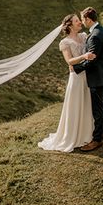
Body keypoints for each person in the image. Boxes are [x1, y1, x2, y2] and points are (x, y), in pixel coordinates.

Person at [38, 13, 96, 153]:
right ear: (69, 25)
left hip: (86, 76)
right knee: (75, 105)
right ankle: (72, 136)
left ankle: (86, 134)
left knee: (86, 104)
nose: (80, 23)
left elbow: (94, 42)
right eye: (77, 21)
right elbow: (69, 61)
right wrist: (84, 56)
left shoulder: (83, 36)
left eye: (79, 20)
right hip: (76, 77)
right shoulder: (64, 42)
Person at [73, 7, 103, 152]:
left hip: (97, 77)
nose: (82, 23)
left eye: (83, 20)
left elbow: (92, 60)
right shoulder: (102, 30)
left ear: (88, 19)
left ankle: (96, 140)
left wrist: (76, 68)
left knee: (98, 108)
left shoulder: (95, 35)